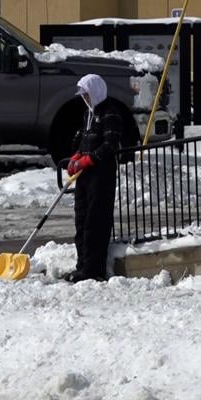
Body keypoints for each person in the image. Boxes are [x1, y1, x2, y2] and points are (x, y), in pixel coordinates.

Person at [65, 74, 122, 283]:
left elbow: (110, 144)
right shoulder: (88, 114)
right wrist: (76, 156)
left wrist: (90, 159)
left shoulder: (110, 113)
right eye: (83, 96)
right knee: (81, 219)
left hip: (101, 175)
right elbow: (82, 139)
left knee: (95, 222)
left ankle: (93, 269)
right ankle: (81, 264)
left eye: (87, 94)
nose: (85, 99)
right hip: (85, 176)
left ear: (96, 91)